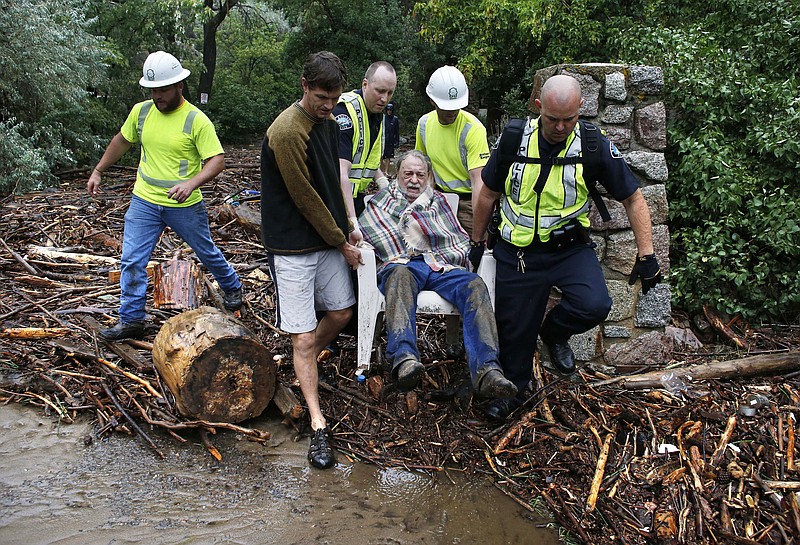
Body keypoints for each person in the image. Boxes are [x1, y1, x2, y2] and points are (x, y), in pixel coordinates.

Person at [472, 74, 663, 420]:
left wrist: (647, 254)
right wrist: (477, 238)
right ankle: (511, 393)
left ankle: (554, 332)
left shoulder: (592, 144)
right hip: (520, 253)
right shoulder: (515, 138)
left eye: (569, 119)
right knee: (514, 331)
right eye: (552, 119)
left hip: (568, 249)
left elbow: (634, 198)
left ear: (581, 110)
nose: (560, 127)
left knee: (595, 303)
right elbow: (487, 193)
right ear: (538, 107)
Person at [87, 51, 242, 341]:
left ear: (179, 86)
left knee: (206, 252)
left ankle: (232, 286)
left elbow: (217, 160)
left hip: (183, 205)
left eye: (163, 90)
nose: (157, 95)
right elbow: (122, 140)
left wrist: (192, 183)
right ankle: (131, 319)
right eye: (153, 90)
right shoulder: (141, 112)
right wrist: (98, 170)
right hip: (144, 200)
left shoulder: (196, 120)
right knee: (132, 260)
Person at [259, 51, 362, 470]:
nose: (328, 105)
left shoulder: (329, 124)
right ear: (304, 85)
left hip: (327, 240)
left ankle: (298, 364)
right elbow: (304, 198)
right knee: (302, 338)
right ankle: (319, 425)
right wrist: (341, 242)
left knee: (340, 312)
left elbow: (331, 183)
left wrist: (348, 225)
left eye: (334, 98)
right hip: (292, 246)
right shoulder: (286, 131)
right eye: (321, 96)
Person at [359, 150, 517, 398]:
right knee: (399, 275)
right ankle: (405, 360)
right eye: (407, 174)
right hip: (400, 263)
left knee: (475, 284)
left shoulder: (438, 201)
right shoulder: (381, 201)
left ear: (428, 177)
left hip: (439, 264)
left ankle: (488, 372)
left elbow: (453, 239)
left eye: (420, 175)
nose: (414, 180)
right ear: (397, 175)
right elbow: (369, 233)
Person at [415, 65, 490, 241]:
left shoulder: (473, 129)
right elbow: (423, 170)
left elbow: (478, 181)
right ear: (432, 101)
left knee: (473, 248)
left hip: (469, 201)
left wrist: (479, 235)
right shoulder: (424, 124)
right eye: (446, 106)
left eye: (456, 106)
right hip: (438, 197)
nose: (452, 111)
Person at [333, 61, 397, 232]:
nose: (384, 99)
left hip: (356, 196)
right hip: (335, 200)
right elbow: (341, 173)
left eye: (390, 93)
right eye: (380, 91)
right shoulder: (344, 113)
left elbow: (364, 156)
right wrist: (352, 222)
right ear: (365, 84)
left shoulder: (375, 115)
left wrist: (382, 181)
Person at [380, 102, 400, 178]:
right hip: (383, 139)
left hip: (390, 140)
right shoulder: (383, 118)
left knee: (388, 156)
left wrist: (396, 141)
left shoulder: (395, 119)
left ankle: (386, 171)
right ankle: (381, 170)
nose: (389, 111)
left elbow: (397, 131)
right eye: (388, 110)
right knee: (382, 155)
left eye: (390, 110)